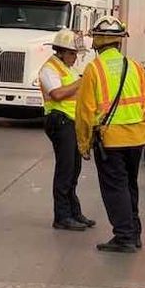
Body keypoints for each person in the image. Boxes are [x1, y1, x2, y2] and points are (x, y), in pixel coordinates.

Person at [75, 16, 145, 253]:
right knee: (130, 185)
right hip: (137, 138)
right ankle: (134, 233)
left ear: (97, 42)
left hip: (110, 140)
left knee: (115, 188)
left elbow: (84, 111)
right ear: (120, 42)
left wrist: (83, 143)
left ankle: (124, 237)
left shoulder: (94, 69)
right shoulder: (136, 67)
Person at [38, 28, 95, 232]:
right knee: (65, 170)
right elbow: (57, 94)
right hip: (59, 121)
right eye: (72, 53)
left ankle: (74, 212)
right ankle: (62, 216)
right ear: (61, 51)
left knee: (74, 170)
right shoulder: (50, 69)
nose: (74, 57)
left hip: (72, 122)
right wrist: (81, 81)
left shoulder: (67, 68)